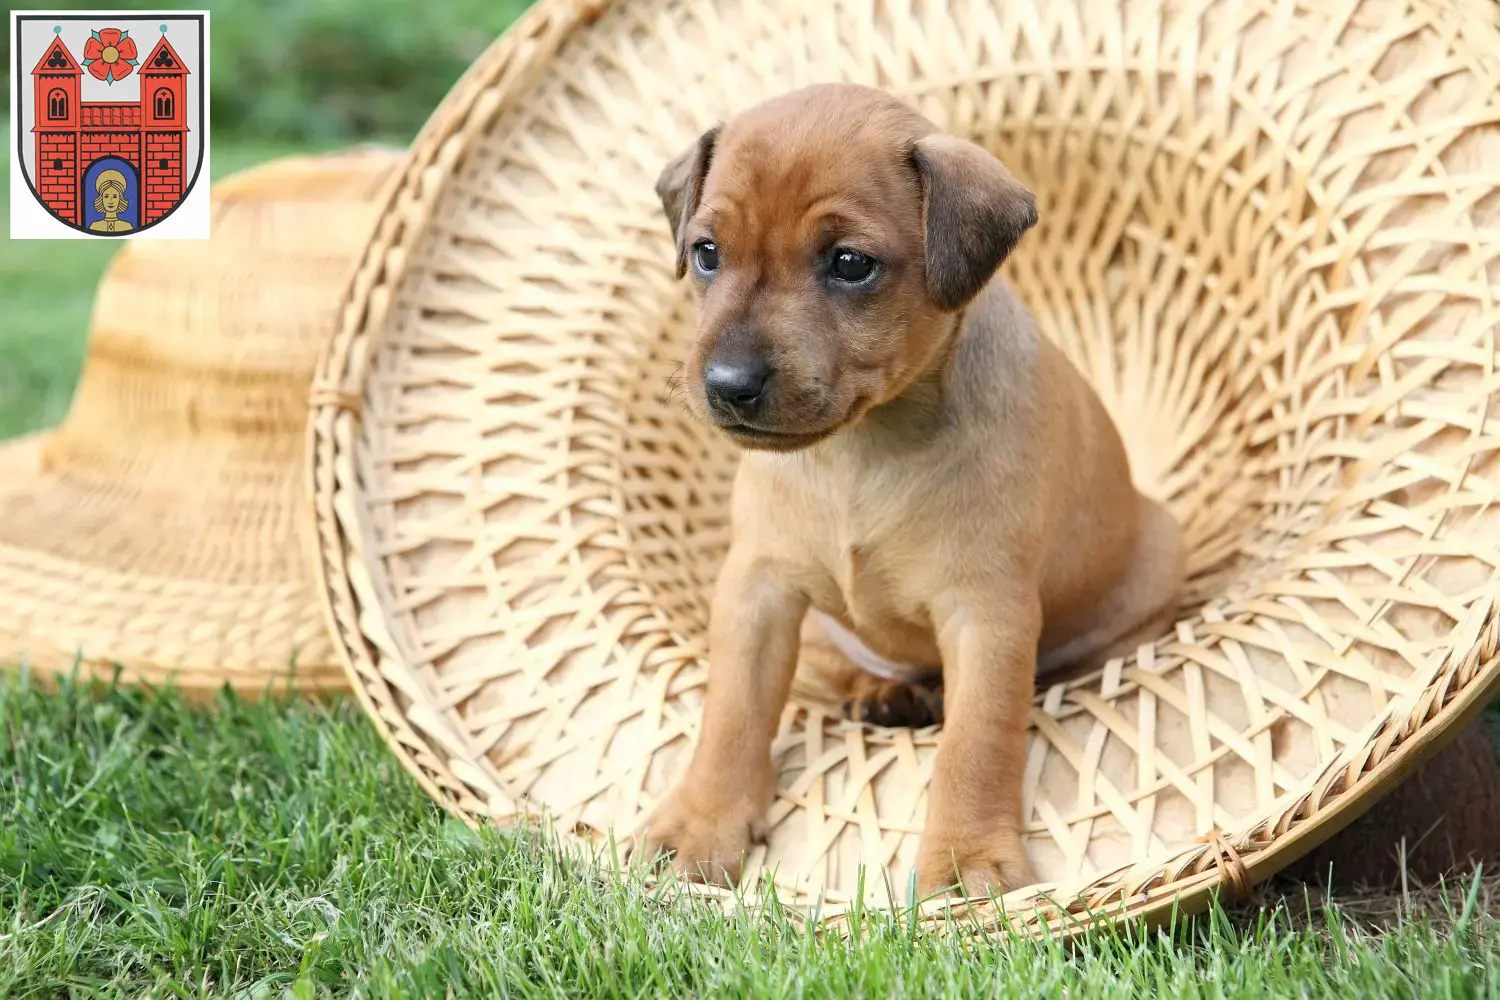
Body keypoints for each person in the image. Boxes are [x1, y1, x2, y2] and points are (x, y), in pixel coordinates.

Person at [88, 168, 134, 232]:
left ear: (120, 199)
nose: (110, 201)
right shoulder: (94, 226)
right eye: (106, 196)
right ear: (101, 199)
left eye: (114, 196)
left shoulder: (127, 226)